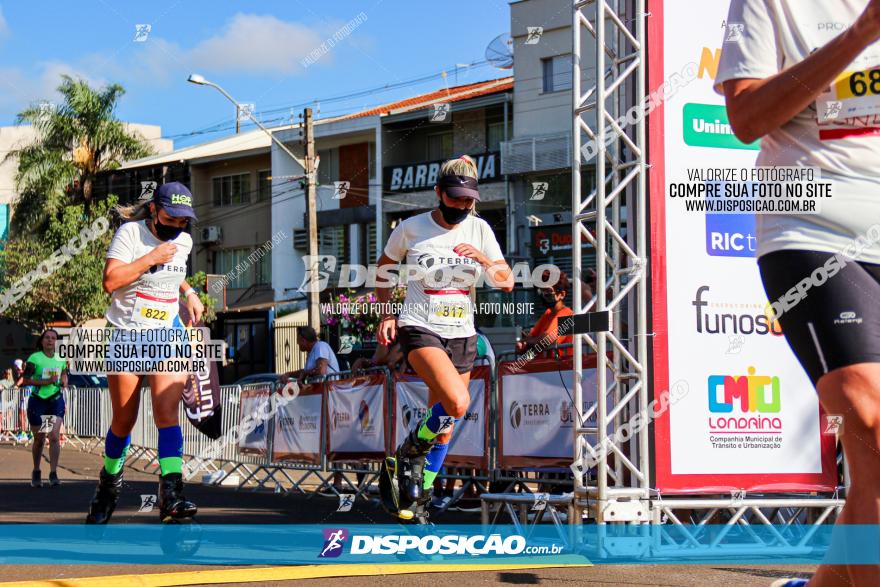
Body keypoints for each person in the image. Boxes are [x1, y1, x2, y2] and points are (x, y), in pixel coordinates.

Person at [717, 1, 880, 585]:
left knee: (873, 469)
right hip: (811, 229)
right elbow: (746, 116)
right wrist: (861, 34)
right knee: (871, 421)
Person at [376, 154, 513, 523]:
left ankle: (416, 501)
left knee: (446, 424)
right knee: (457, 401)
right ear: (438, 193)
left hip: (462, 333)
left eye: (469, 200)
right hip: (420, 326)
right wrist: (388, 313)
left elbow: (507, 282)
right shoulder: (411, 228)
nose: (462, 207)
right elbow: (385, 270)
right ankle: (408, 452)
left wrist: (484, 260)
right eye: (455, 198)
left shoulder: (480, 229)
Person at [86, 181, 203, 524]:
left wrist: (190, 292)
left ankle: (172, 493)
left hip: (166, 335)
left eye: (184, 221)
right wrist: (151, 257)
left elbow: (172, 273)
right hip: (127, 336)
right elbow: (111, 280)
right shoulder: (130, 234)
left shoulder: (184, 241)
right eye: (171, 218)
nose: (177, 227)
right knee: (124, 421)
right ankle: (108, 484)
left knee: (167, 413)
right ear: (154, 210)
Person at [16, 329, 68, 487]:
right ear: (42, 340)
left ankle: (53, 473)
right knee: (39, 439)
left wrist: (64, 380)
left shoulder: (61, 358)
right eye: (47, 338)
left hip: (54, 400)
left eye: (53, 338)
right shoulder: (35, 358)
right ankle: (37, 470)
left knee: (53, 436)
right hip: (38, 401)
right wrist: (46, 382)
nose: (50, 340)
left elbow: (64, 372)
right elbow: (25, 380)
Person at [516, 271, 573, 358]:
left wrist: (529, 341)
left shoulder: (566, 314)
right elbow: (531, 338)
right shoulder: (548, 313)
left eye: (548, 290)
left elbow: (548, 339)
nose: (543, 294)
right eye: (541, 290)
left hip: (562, 368)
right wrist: (524, 344)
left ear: (561, 294)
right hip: (544, 367)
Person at [12, 358, 30, 442]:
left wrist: (16, 386)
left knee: (22, 414)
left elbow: (22, 379)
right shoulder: (22, 374)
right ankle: (28, 433)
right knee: (25, 414)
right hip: (27, 395)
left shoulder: (25, 373)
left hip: (28, 395)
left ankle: (23, 433)